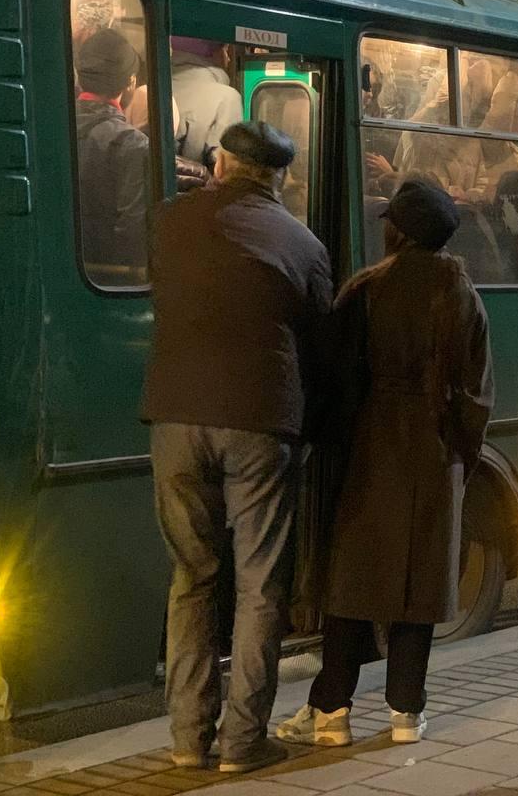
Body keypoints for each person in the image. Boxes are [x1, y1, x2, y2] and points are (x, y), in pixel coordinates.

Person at [143, 121, 333, 772]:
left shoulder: (168, 222)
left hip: (175, 417)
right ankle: (243, 741)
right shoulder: (303, 244)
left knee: (192, 577)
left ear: (220, 163)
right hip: (260, 421)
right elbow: (319, 346)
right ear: (279, 177)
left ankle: (187, 741)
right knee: (259, 585)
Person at [278, 180, 494, 749]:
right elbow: (476, 395)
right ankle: (406, 712)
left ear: (398, 231)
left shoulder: (367, 289)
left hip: (372, 446)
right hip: (436, 447)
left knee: (353, 581)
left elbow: (333, 379)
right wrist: (459, 460)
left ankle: (331, 711)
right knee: (419, 581)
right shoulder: (463, 294)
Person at [74, 28, 151, 271]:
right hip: (109, 279)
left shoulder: (51, 128)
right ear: (130, 82)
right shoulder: (132, 144)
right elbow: (133, 229)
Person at [169, 37, 244, 166]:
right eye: (225, 50)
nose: (228, 58)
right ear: (214, 53)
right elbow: (225, 166)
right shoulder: (226, 98)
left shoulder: (150, 90)